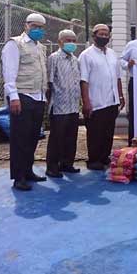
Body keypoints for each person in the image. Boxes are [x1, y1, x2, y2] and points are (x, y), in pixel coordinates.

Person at [1, 12, 48, 191]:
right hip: (22, 96)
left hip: (38, 96)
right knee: (20, 138)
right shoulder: (15, 44)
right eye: (33, 26)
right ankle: (18, 176)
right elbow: (9, 72)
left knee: (33, 137)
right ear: (26, 25)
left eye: (40, 27)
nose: (37, 30)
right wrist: (13, 96)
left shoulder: (40, 47)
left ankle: (28, 170)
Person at [80, 24, 125, 170]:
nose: (104, 37)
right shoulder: (86, 55)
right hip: (96, 102)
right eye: (101, 34)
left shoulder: (112, 54)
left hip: (111, 101)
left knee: (108, 132)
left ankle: (104, 157)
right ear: (94, 36)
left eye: (106, 35)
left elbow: (117, 78)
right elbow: (83, 81)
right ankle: (93, 160)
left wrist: (121, 96)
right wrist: (86, 103)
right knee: (95, 133)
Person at [45, 29, 81, 178]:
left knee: (71, 137)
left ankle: (67, 163)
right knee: (56, 138)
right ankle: (52, 166)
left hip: (73, 105)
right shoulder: (54, 58)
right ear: (60, 42)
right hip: (59, 105)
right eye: (68, 40)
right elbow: (49, 81)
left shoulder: (75, 59)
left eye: (73, 40)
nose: (71, 43)